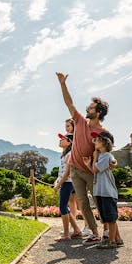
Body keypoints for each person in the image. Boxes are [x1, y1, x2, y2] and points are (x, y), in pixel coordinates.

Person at [56, 72, 114, 244]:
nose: (87, 109)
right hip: (74, 169)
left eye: (90, 108)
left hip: (89, 170)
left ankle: (108, 231)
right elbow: (69, 103)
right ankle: (95, 233)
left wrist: (112, 161)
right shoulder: (80, 121)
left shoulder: (104, 133)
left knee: (98, 201)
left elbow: (108, 151)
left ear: (99, 112)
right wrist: (62, 84)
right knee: (83, 203)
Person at [87, 131, 123, 249]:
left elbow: (96, 169)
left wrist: (94, 158)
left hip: (107, 192)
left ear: (103, 143)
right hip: (101, 191)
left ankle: (111, 242)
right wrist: (89, 163)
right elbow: (93, 170)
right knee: (108, 217)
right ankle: (118, 239)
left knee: (110, 218)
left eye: (96, 140)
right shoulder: (103, 156)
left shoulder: (106, 155)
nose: (94, 142)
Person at [53, 133, 82, 241]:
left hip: (68, 183)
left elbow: (67, 173)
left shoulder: (70, 154)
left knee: (62, 206)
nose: (60, 140)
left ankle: (66, 234)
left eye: (63, 139)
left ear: (69, 142)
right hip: (65, 182)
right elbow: (61, 172)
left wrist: (58, 185)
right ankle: (76, 230)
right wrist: (57, 181)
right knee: (64, 206)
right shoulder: (64, 154)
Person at [65, 118, 87, 237]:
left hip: (78, 172)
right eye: (66, 126)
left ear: (74, 126)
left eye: (68, 126)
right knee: (71, 200)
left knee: (80, 202)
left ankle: (87, 225)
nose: (67, 128)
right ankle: (74, 226)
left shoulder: (77, 137)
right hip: (71, 173)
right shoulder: (67, 137)